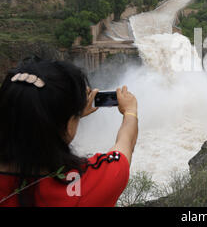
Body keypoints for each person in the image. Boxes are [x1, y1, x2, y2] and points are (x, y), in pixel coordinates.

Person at [0, 58, 138, 207]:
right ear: (65, 125)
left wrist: (71, 115)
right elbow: (125, 144)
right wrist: (130, 112)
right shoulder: (89, 184)